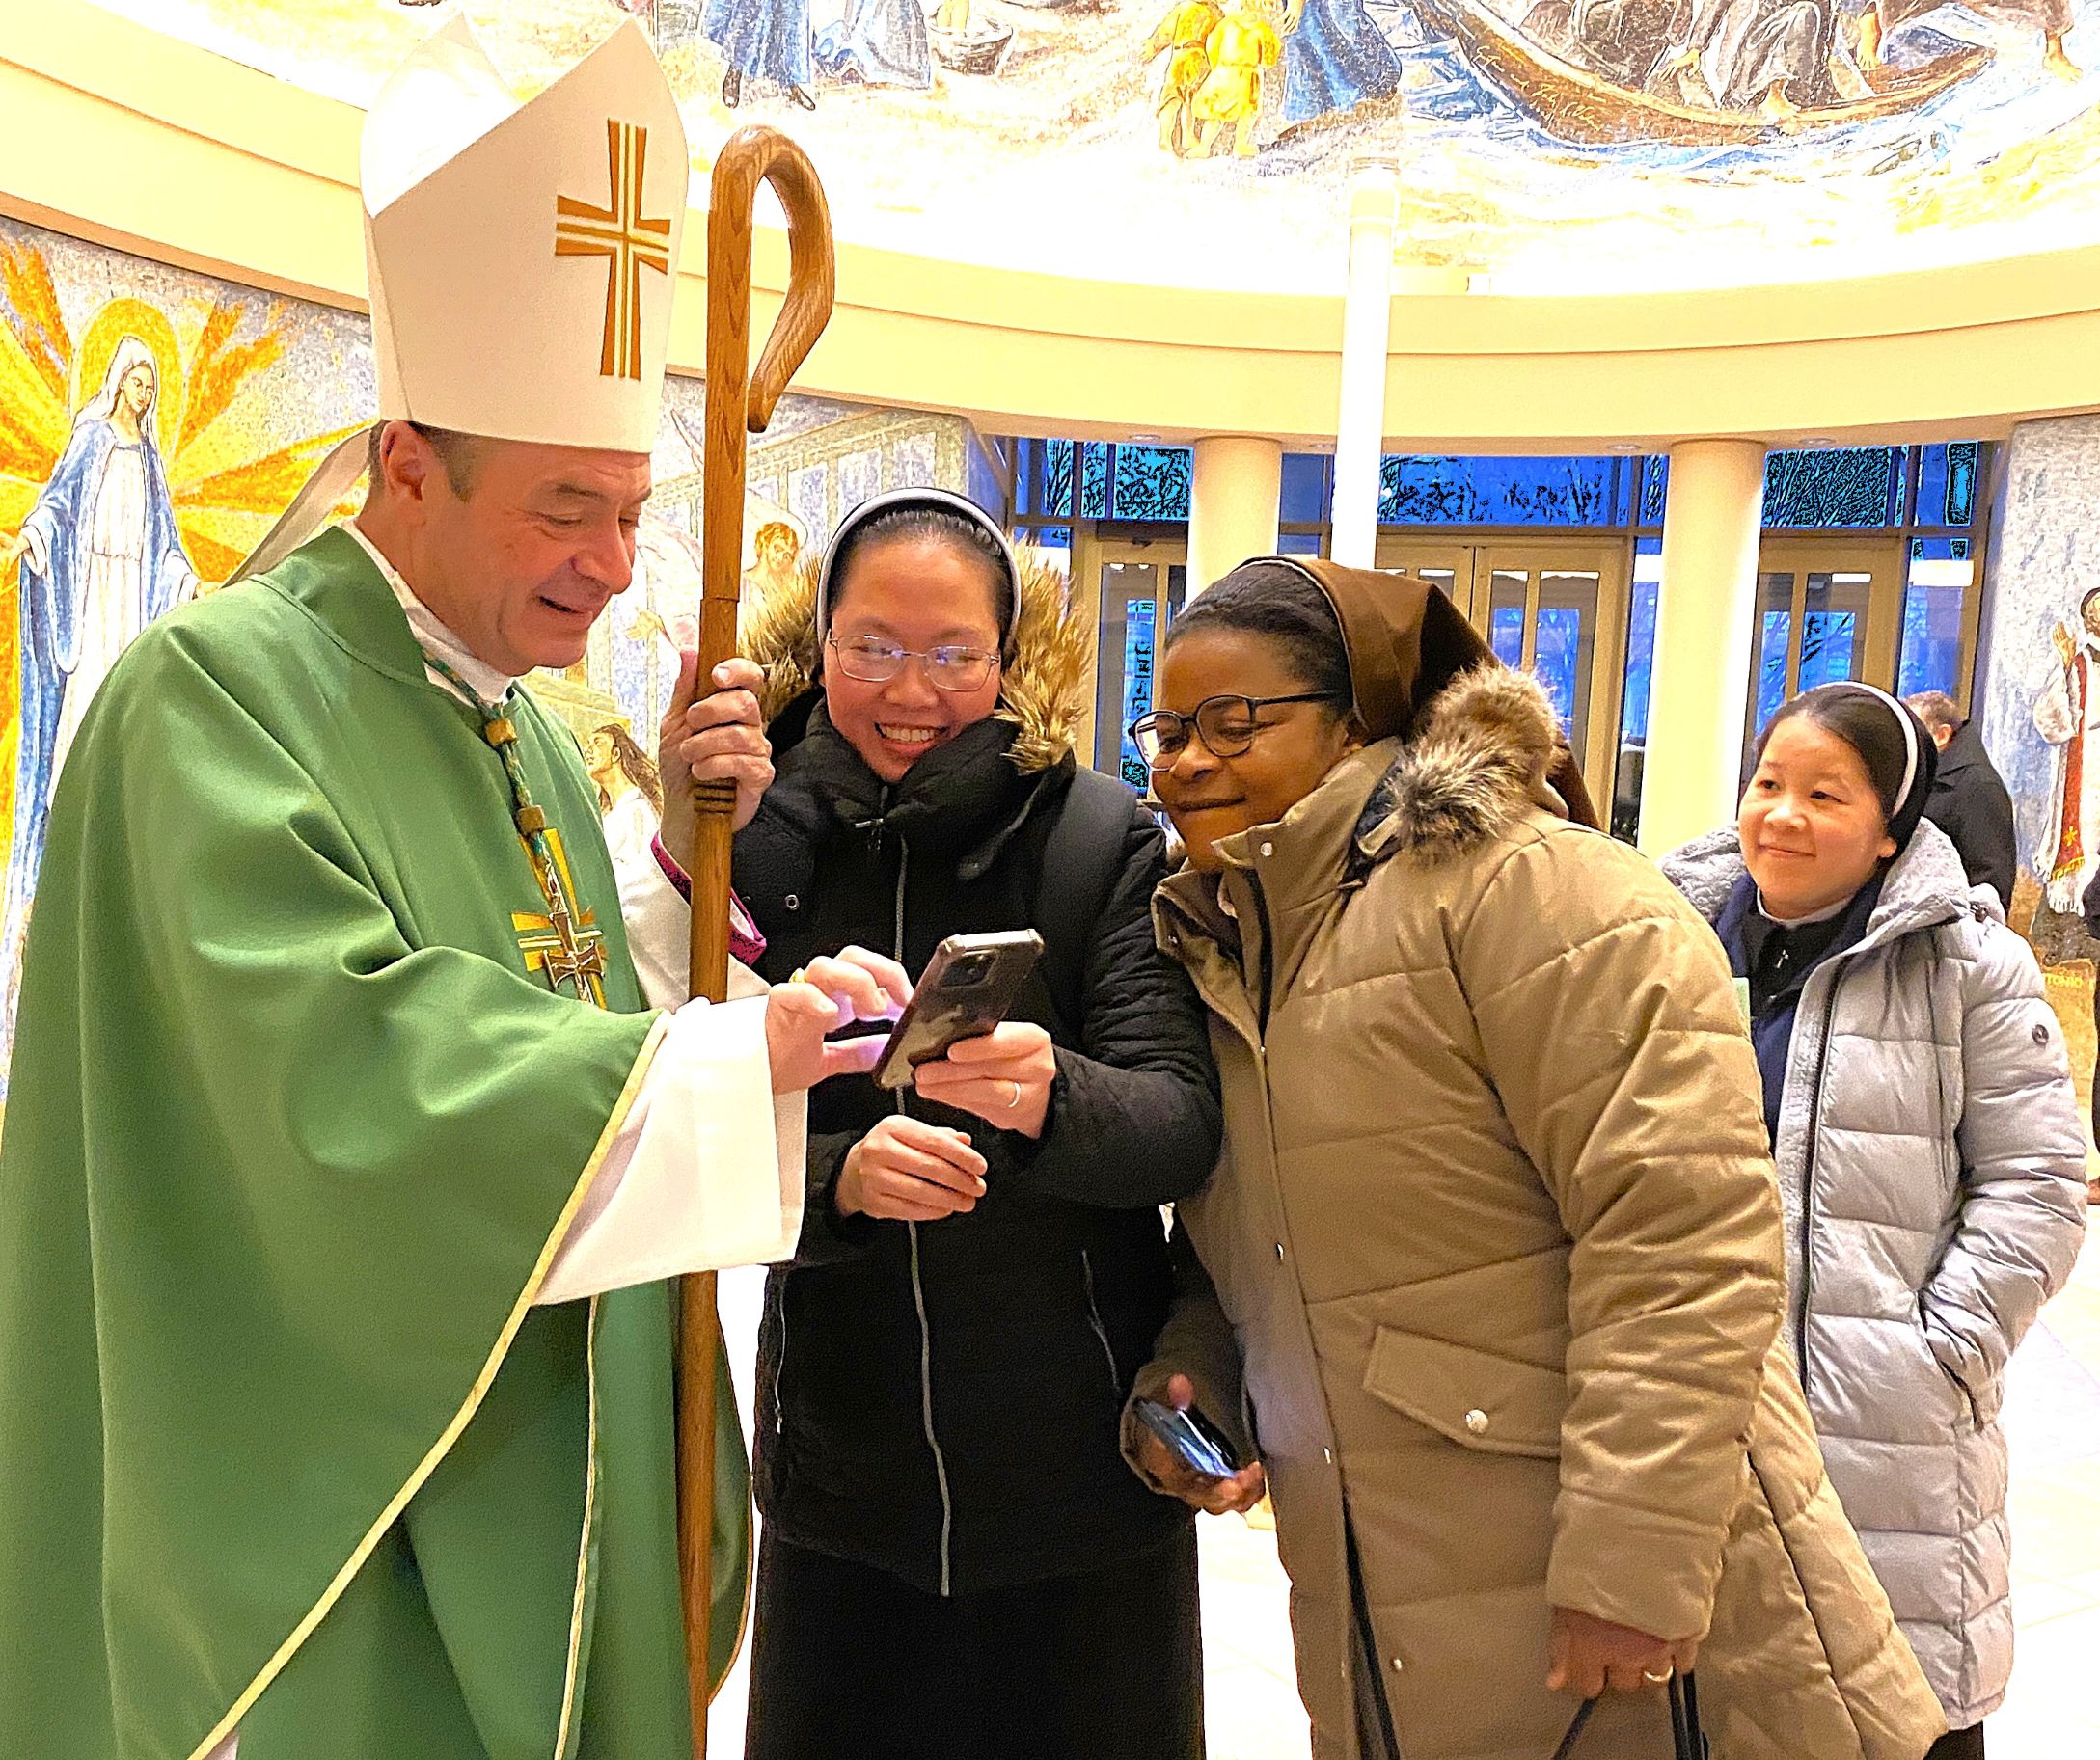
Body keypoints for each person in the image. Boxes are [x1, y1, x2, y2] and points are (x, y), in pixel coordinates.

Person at [0, 22, 906, 1760]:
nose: (616, 568)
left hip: (545, 1466)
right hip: (350, 1518)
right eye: (570, 509)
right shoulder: (209, 700)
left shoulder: (530, 730)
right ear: (408, 462)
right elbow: (338, 1089)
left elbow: (571, 1004)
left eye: (638, 513)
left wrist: (684, 904)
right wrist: (722, 1071)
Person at [1123, 557, 1947, 1760]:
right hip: (1383, 1583)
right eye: (1169, 725)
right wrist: (1194, 1375)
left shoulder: (1529, 889)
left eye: (1234, 722)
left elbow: (1683, 1233)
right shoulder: (1225, 946)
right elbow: (1263, 1245)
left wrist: (1631, 1554)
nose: (1186, 758)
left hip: (1607, 1589)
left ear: (1359, 719)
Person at [708, 487, 1223, 1759]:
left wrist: (1057, 1094)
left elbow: (1179, 1121)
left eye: (954, 654)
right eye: (872, 646)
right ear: (816, 639)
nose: (911, 689)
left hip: (1077, 1484)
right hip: (845, 1480)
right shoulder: (744, 846)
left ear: (1011, 659)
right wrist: (838, 1179)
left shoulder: (1098, 838)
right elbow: (673, 1105)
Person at [1663, 682, 2088, 1760]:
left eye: (1822, 794)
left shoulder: (1966, 964)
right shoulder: (1663, 942)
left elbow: (2037, 1181)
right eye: (1767, 784)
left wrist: (1938, 1347)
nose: (1781, 816)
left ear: (1891, 824)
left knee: (1890, 1709)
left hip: (1882, 1425)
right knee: (1710, 1703)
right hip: (1689, 1405)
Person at [0, 336, 197, 1066]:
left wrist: (184, 586)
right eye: (135, 383)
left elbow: (168, 549)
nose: (142, 395)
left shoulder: (150, 463)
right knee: (81, 725)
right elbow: (56, 509)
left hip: (132, 607)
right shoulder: (89, 441)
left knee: (126, 720)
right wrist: (36, 540)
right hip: (87, 603)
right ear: (116, 382)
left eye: (152, 387)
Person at [1905, 689, 2016, 911]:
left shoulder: (1979, 786)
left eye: (1915, 730)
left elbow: (1991, 882)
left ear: (1941, 735)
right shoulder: (1923, 772)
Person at [2032, 586, 2100, 914]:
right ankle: (2078, 902)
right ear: (2088, 621)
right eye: (2096, 610)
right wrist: (2063, 664)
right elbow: (2050, 718)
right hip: (2089, 761)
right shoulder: (2078, 663)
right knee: (2087, 825)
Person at [587, 718, 666, 872]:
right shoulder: (606, 815)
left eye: (598, 743)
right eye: (588, 743)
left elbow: (646, 871)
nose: (588, 749)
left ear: (615, 754)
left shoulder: (638, 809)